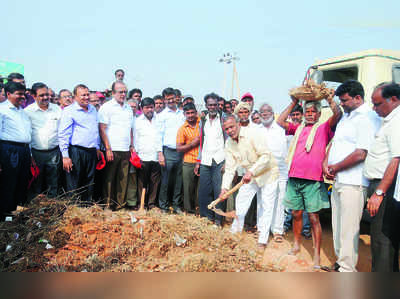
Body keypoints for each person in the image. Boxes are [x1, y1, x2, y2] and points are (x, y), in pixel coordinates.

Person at [276, 91, 342, 268]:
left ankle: (317, 256)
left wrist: (329, 99)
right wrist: (294, 102)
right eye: (308, 111)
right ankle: (297, 244)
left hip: (313, 180)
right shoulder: (298, 128)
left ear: (319, 114)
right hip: (294, 177)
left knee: (313, 218)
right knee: (296, 213)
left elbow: (338, 114)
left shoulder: (324, 128)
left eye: (314, 111)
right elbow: (280, 121)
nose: (310, 114)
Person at [324, 80, 380, 272]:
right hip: (339, 180)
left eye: (345, 100)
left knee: (349, 229)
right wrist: (326, 164)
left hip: (354, 182)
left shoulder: (368, 118)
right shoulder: (347, 117)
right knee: (338, 226)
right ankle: (341, 264)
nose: (343, 104)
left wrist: (336, 167)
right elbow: (335, 143)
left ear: (358, 98)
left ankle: (348, 270)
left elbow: (361, 153)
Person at [220, 115, 279, 247]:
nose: (230, 131)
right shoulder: (229, 143)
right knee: (241, 200)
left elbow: (265, 156)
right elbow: (229, 168)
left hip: (268, 173)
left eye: (232, 127)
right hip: (250, 175)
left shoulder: (252, 133)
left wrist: (251, 171)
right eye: (227, 129)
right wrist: (224, 188)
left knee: (266, 206)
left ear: (238, 124)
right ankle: (235, 233)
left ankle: (262, 240)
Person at [364, 82, 400, 272]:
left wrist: (379, 192)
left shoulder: (396, 121)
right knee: (385, 240)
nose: (374, 108)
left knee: (381, 240)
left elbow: (396, 158)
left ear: (393, 100)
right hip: (384, 185)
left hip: (385, 186)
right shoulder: (390, 120)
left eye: (377, 104)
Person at [58, 84, 103, 203]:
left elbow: (95, 130)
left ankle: (86, 210)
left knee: (89, 182)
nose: (86, 97)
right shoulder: (69, 111)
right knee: (74, 182)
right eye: (83, 95)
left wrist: (97, 147)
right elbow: (63, 134)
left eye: (88, 94)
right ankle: (73, 209)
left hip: (91, 151)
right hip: (76, 151)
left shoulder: (93, 109)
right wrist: (65, 156)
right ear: (75, 97)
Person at [99, 82, 135, 210]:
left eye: (125, 92)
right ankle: (107, 206)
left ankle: (120, 206)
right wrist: (108, 149)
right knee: (109, 179)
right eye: (120, 92)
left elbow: (130, 129)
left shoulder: (128, 108)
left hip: (125, 149)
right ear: (113, 93)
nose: (123, 94)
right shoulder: (106, 107)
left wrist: (131, 145)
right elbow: (102, 129)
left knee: (122, 179)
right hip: (112, 149)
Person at [0, 81, 32, 220]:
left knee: (22, 182)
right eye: (18, 94)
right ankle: (5, 214)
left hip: (24, 151)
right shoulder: (2, 110)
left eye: (23, 94)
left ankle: (17, 212)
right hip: (8, 150)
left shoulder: (23, 112)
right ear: (8, 94)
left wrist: (30, 154)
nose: (22, 97)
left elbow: (27, 135)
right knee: (9, 182)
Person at [25, 82, 62, 200]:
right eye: (41, 95)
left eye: (47, 94)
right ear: (34, 96)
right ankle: (35, 211)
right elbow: (26, 134)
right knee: (36, 183)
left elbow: (62, 132)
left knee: (53, 182)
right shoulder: (28, 112)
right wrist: (30, 155)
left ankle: (52, 209)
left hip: (54, 152)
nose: (45, 98)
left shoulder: (57, 109)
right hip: (36, 153)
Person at [259, 103, 288, 243]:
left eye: (268, 111)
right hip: (263, 169)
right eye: (262, 112)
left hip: (280, 168)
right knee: (262, 199)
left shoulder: (280, 128)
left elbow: (284, 151)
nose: (265, 113)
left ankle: (277, 230)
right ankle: (261, 228)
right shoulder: (257, 130)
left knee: (280, 199)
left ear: (273, 112)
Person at [195, 93, 226, 226]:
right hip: (206, 160)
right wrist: (198, 161)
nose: (212, 107)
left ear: (218, 105)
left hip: (220, 160)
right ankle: (206, 218)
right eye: (210, 105)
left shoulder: (223, 119)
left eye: (215, 104)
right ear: (206, 106)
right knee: (204, 191)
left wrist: (227, 161)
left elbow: (228, 141)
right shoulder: (203, 120)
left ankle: (218, 220)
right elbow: (202, 141)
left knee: (218, 191)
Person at [283, 103, 311, 238]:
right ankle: (287, 224)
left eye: (297, 114)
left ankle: (305, 229)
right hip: (289, 170)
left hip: (304, 170)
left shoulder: (307, 129)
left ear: (302, 115)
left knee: (305, 202)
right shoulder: (289, 130)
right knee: (290, 200)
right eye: (293, 115)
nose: (295, 117)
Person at [157, 87, 185, 214]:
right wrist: (160, 153)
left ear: (176, 98)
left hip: (181, 151)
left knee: (178, 180)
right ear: (164, 100)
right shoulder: (162, 115)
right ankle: (163, 205)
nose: (170, 101)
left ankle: (176, 204)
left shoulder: (182, 114)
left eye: (172, 98)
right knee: (166, 180)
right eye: (167, 99)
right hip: (167, 151)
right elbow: (158, 136)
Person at [134, 97, 162, 210]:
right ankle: (142, 204)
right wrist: (136, 154)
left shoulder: (159, 119)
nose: (150, 110)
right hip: (142, 156)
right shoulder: (137, 121)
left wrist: (160, 153)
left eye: (151, 107)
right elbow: (135, 139)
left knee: (154, 182)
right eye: (147, 107)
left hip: (155, 156)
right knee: (142, 182)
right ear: (142, 108)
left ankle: (152, 204)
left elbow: (160, 137)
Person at [176, 102, 200, 214]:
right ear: (184, 114)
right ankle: (189, 212)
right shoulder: (182, 129)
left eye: (192, 113)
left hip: (203, 161)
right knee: (188, 189)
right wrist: (192, 144)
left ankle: (200, 210)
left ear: (196, 112)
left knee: (200, 189)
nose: (190, 115)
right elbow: (179, 148)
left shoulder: (203, 123)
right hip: (188, 161)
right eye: (188, 113)